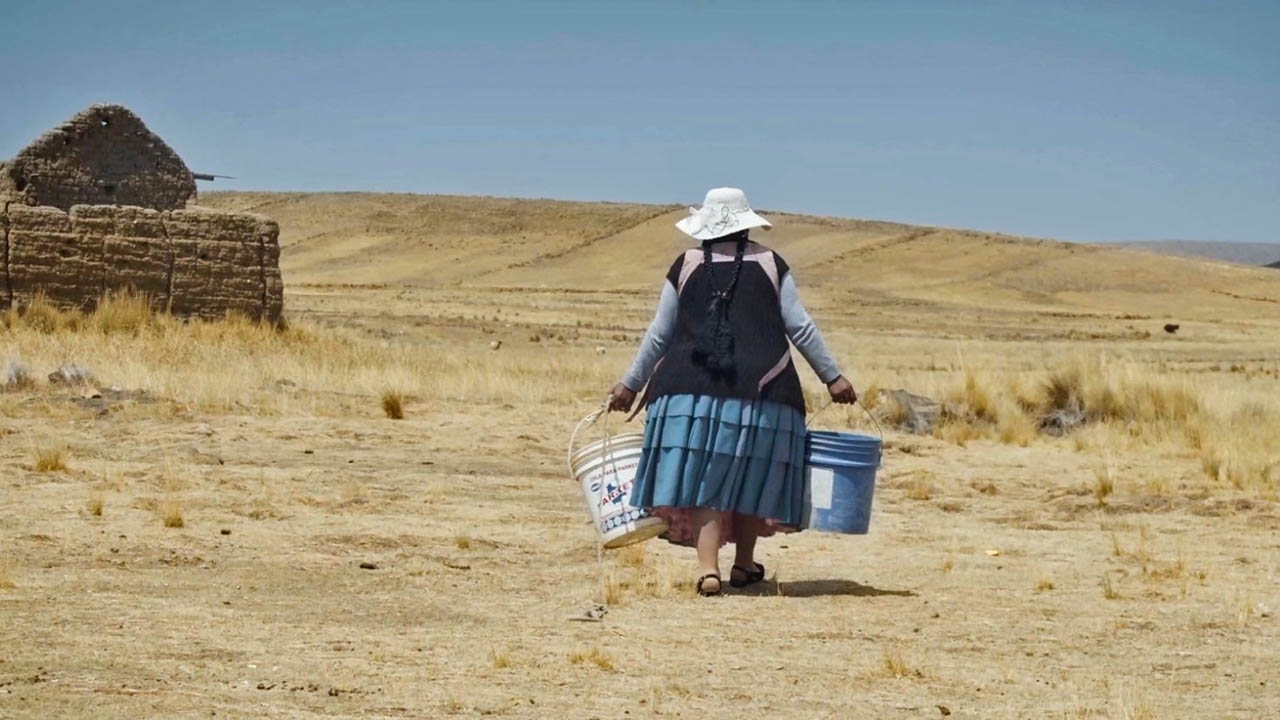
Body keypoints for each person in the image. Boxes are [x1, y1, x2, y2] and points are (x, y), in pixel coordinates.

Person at [608, 187, 856, 596]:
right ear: (745, 224)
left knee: (707, 479)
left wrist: (630, 384)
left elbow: (660, 333)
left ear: (705, 224)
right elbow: (800, 326)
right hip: (762, 392)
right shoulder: (771, 264)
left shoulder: (685, 264)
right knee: (750, 474)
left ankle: (708, 571)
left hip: (688, 395)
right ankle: (743, 564)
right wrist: (833, 377)